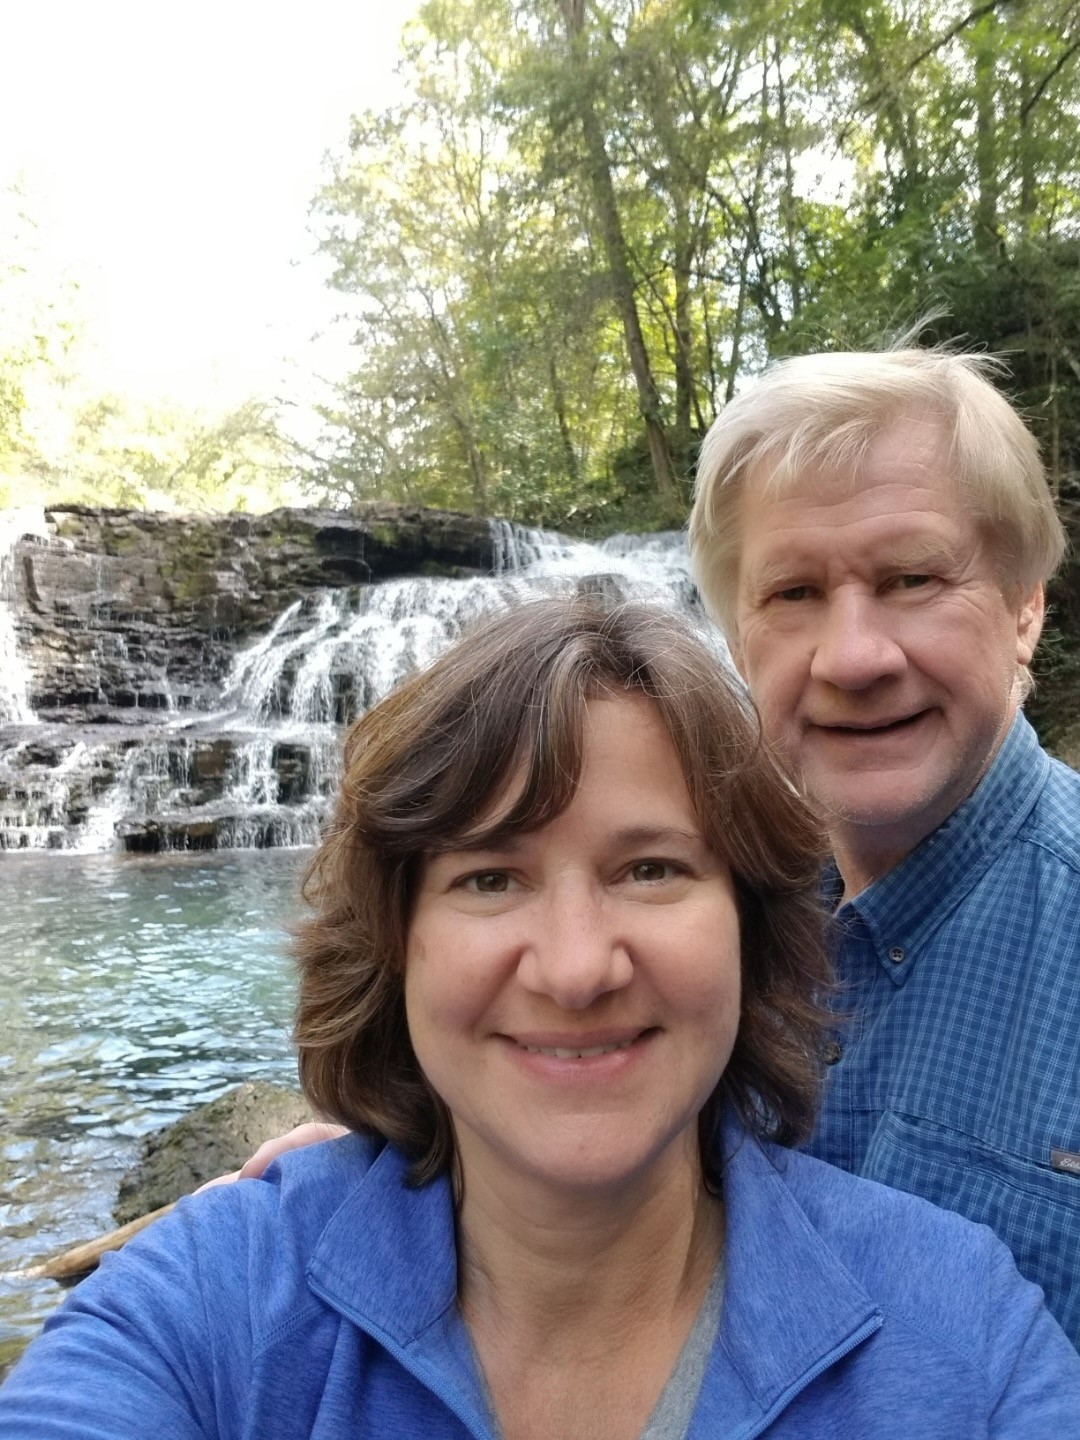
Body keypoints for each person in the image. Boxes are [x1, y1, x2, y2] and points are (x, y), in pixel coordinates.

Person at [4, 596, 1078, 1436]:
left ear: (752, 931)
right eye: (489, 878)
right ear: (396, 941)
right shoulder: (210, 1302)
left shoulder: (962, 1326)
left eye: (651, 868)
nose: (574, 969)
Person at [689, 342, 1080, 1345]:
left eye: (911, 578)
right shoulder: (692, 922)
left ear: (1025, 606)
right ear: (739, 641)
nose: (853, 657)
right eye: (793, 594)